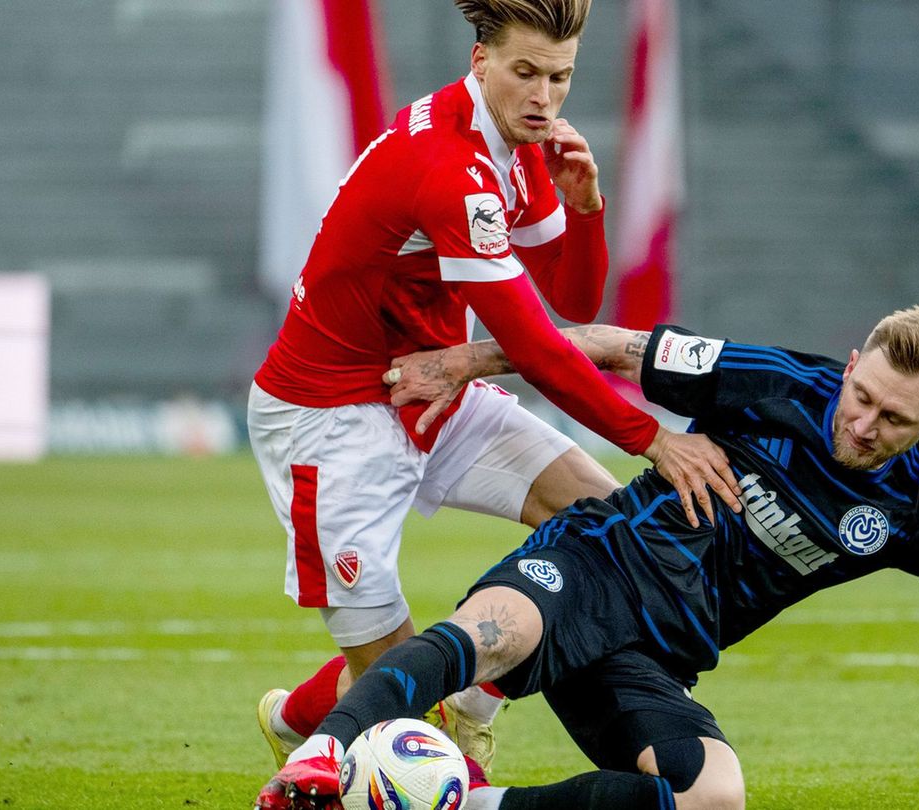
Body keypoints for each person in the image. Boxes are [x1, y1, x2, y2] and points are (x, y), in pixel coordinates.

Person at [255, 308, 919, 810]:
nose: (862, 425)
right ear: (856, 361)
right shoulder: (780, 382)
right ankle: (321, 757)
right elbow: (609, 347)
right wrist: (464, 361)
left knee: (715, 799)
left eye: (892, 421)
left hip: (656, 658)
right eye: (862, 396)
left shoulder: (913, 515)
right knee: (496, 629)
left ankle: (463, 805)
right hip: (599, 564)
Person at [246, 0, 740, 777]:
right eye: (525, 74)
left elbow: (574, 299)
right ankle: (447, 751)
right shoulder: (451, 169)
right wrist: (654, 438)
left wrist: (585, 209)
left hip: (435, 392)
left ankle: (315, 715)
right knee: (409, 699)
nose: (544, 97)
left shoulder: (518, 145)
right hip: (330, 418)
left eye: (561, 77)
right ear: (480, 60)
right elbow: (536, 346)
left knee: (607, 529)